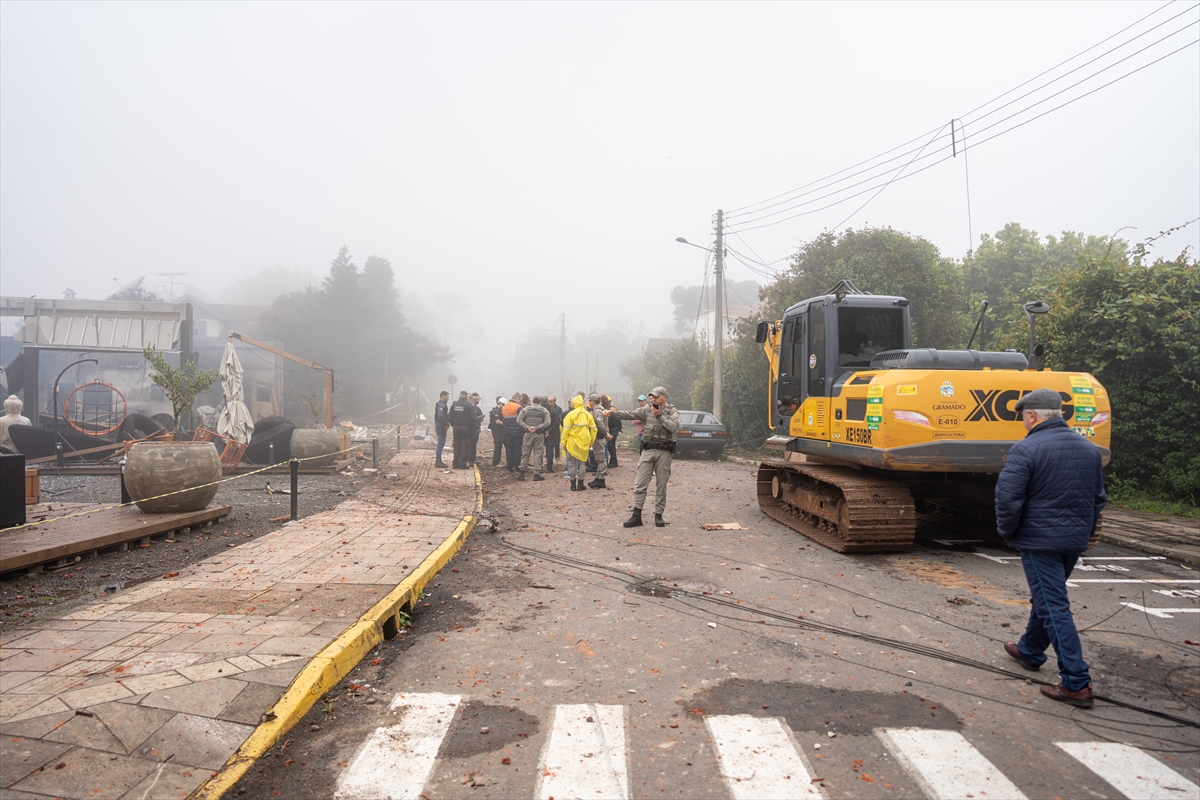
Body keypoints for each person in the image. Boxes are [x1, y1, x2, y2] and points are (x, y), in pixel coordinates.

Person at [996, 388, 1106, 709]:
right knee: (1048, 599)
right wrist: (1080, 532)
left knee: (1053, 606)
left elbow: (1007, 499)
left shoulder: (1025, 449)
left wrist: (1009, 533)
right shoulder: (1089, 449)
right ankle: (1030, 650)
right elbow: (1098, 499)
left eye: (1022, 417)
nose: (1023, 422)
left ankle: (1076, 682)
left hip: (1039, 542)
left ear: (1031, 416)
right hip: (1073, 541)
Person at [606, 386, 679, 528]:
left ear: (664, 397)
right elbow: (630, 415)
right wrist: (613, 413)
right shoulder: (646, 410)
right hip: (647, 450)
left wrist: (659, 415)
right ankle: (636, 515)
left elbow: (673, 427)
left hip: (664, 451)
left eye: (656, 396)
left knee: (661, 485)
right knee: (640, 484)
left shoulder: (672, 411)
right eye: (652, 397)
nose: (653, 399)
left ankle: (658, 515)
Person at [560, 395, 597, 491]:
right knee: (582, 464)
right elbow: (594, 429)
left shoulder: (570, 415)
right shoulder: (588, 414)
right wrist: (591, 441)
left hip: (572, 443)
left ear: (574, 404)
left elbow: (565, 430)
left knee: (572, 464)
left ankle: (572, 485)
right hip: (584, 443)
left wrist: (563, 442)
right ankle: (581, 484)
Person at [516, 395, 552, 481]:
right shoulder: (544, 410)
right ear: (540, 402)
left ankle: (521, 473)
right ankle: (536, 474)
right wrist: (537, 428)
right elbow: (548, 422)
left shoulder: (526, 409)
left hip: (527, 434)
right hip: (539, 434)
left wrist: (528, 427)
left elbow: (518, 420)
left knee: (525, 453)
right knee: (538, 454)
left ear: (532, 401)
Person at [586, 393, 610, 489]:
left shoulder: (597, 412)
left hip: (599, 438)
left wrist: (606, 434)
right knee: (599, 458)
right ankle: (598, 477)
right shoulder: (600, 410)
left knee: (600, 459)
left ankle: (601, 479)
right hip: (600, 437)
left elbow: (601, 425)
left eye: (589, 401)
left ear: (592, 401)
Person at [448, 391, 475, 470]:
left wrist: (453, 424)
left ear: (459, 396)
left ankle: (455, 463)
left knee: (456, 445)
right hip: (466, 427)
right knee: (464, 445)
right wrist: (475, 427)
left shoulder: (454, 404)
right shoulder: (469, 405)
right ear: (466, 397)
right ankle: (462, 464)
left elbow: (450, 416)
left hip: (456, 427)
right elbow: (473, 417)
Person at [501, 394, 524, 472]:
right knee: (517, 448)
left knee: (509, 448)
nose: (519, 402)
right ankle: (517, 466)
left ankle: (509, 466)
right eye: (519, 400)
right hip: (516, 431)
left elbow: (503, 419)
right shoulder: (518, 407)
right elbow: (522, 418)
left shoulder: (504, 407)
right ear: (517, 399)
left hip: (507, 431)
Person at [544, 395, 564, 474]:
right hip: (545, 431)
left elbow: (558, 420)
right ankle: (543, 466)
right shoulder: (544, 409)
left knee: (551, 448)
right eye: (549, 401)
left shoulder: (558, 409)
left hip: (553, 432)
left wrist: (549, 430)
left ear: (554, 401)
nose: (550, 402)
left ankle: (550, 465)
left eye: (551, 401)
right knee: (543, 449)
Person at [602, 395, 622, 467]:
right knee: (611, 445)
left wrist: (620, 428)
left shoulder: (612, 409)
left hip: (613, 428)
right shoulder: (608, 409)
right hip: (612, 428)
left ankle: (614, 462)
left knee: (610, 445)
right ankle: (613, 461)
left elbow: (618, 419)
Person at [433, 391, 450, 468]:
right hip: (441, 427)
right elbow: (440, 416)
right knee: (440, 444)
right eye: (447, 397)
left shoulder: (441, 405)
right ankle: (438, 461)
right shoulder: (441, 405)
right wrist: (446, 423)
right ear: (443, 396)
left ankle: (438, 460)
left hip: (440, 426)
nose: (448, 398)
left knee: (441, 444)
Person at [489, 397, 507, 467]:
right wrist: (506, 424)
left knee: (499, 445)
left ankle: (497, 460)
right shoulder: (496, 411)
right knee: (498, 445)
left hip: (499, 430)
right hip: (497, 431)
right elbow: (497, 422)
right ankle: (496, 462)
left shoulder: (497, 410)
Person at [468, 393, 485, 467]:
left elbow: (481, 418)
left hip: (469, 428)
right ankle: (471, 459)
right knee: (472, 444)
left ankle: (470, 458)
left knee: (471, 444)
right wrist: (478, 426)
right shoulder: (472, 408)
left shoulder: (476, 408)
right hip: (473, 429)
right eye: (477, 399)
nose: (478, 400)